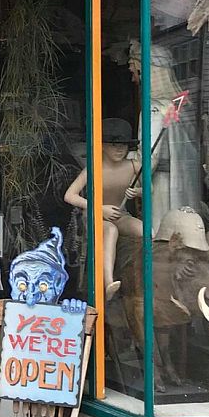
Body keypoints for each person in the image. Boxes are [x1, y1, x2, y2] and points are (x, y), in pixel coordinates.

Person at [64, 118, 142, 300]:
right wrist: (99, 208)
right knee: (110, 231)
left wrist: (137, 191)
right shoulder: (93, 168)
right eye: (114, 144)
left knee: (145, 231)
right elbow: (70, 195)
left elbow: (149, 189)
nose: (119, 149)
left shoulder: (133, 166)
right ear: (103, 146)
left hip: (120, 214)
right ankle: (108, 282)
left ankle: (141, 275)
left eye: (123, 145)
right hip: (94, 216)